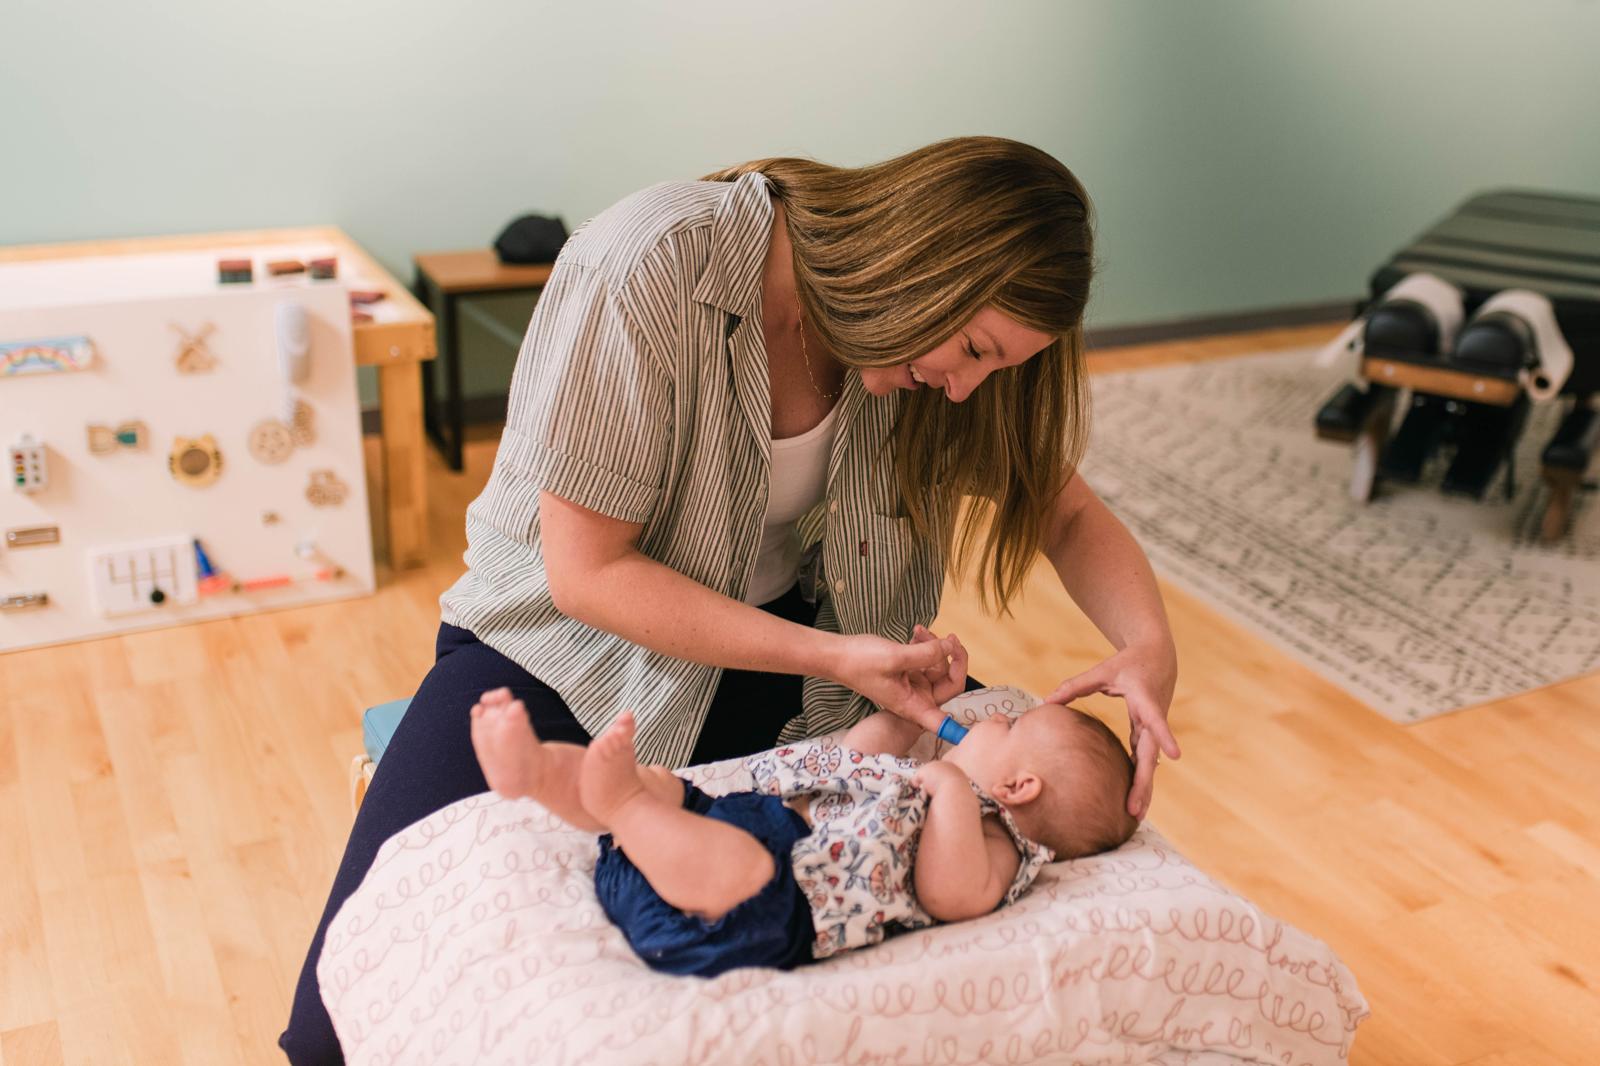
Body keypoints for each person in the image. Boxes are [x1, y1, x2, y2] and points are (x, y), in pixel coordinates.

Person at [280, 136, 1180, 1063]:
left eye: (997, 370)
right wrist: (836, 660)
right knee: (333, 1029)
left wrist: (1148, 647)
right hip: (568, 652)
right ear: (927, 266)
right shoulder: (648, 265)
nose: (962, 392)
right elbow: (587, 574)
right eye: (975, 350)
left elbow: (1063, 511)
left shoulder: (929, 365)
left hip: (796, 659)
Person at [466, 662, 1138, 975]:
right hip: (750, 823)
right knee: (668, 791)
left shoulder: (999, 844)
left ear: (1018, 786)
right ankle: (539, 774)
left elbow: (953, 895)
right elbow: (847, 762)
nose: (996, 714)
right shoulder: (930, 785)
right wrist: (904, 725)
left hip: (768, 905)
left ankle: (620, 806)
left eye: (1011, 723)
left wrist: (948, 787)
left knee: (734, 866)